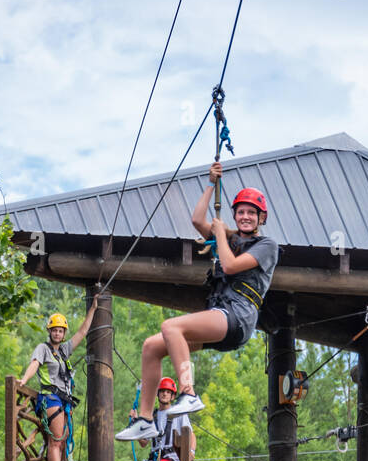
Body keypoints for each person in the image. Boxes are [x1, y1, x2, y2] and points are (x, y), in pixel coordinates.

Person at [115, 164, 277, 442]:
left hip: (238, 315)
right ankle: (145, 420)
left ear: (261, 217)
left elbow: (229, 266)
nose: (246, 217)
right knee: (151, 347)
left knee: (171, 327)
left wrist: (220, 234)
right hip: (221, 314)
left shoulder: (267, 246)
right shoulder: (232, 238)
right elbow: (197, 219)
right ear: (235, 214)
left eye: (252, 213)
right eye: (241, 212)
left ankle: (188, 392)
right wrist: (210, 184)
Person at [18, 295, 98, 461]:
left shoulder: (64, 350)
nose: (57, 333)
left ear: (63, 333)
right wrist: (24, 379)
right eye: (54, 330)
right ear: (50, 331)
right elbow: (35, 364)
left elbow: (82, 331)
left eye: (60, 331)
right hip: (50, 398)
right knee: (55, 441)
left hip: (64, 400)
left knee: (61, 442)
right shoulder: (43, 349)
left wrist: (93, 308)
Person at [136, 377, 196, 461]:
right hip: (156, 460)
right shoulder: (152, 417)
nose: (165, 394)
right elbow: (144, 442)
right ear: (158, 394)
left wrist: (191, 452)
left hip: (171, 458)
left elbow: (191, 435)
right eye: (162, 391)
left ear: (172, 396)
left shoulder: (178, 414)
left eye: (168, 392)